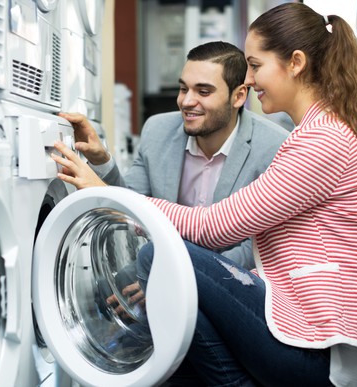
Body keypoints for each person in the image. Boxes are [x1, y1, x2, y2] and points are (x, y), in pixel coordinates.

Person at [52, 3, 357, 386]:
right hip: (314, 335)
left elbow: (216, 228)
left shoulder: (322, 141)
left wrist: (105, 193)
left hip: (326, 354)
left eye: (256, 64)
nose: (250, 78)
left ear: (295, 63)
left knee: (158, 262)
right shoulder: (324, 131)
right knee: (173, 330)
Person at [59, 40, 288, 270]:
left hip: (229, 282)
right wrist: (102, 161)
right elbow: (133, 208)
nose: (187, 101)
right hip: (159, 267)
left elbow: (258, 245)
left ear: (238, 96)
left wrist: (173, 273)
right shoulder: (157, 130)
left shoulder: (273, 146)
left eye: (204, 91)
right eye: (183, 89)